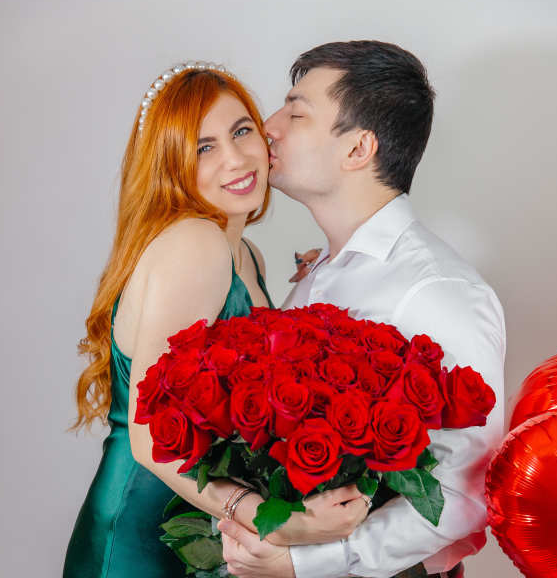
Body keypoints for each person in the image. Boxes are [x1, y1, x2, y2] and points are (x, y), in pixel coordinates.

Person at [64, 62, 369, 578]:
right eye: (204, 147)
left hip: (200, 528)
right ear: (172, 166)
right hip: (141, 537)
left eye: (241, 131)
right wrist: (277, 522)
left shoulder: (246, 253)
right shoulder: (194, 244)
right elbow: (148, 439)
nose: (235, 158)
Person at [218, 41, 506, 578]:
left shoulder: (436, 289)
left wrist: (306, 562)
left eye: (295, 113)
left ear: (357, 149)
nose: (268, 127)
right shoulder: (320, 270)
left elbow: (466, 490)